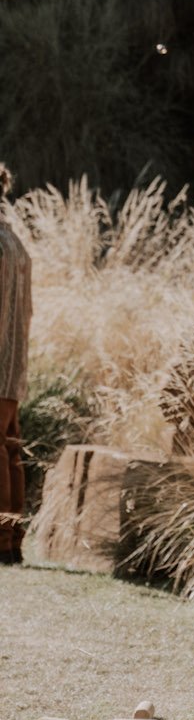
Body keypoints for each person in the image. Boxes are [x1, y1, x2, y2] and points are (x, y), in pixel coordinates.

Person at [0, 164, 30, 566]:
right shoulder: (14, 239)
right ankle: (13, 542)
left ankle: (3, 542)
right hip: (14, 359)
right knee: (10, 450)